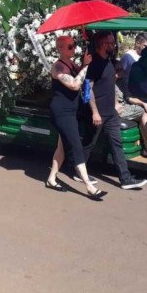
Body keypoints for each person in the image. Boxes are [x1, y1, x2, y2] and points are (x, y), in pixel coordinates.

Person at [82, 32, 147, 190]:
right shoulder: (94, 64)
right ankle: (79, 170)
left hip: (111, 113)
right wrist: (95, 112)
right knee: (89, 144)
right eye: (111, 43)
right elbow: (87, 89)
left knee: (116, 144)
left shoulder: (109, 63)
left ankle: (125, 179)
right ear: (103, 45)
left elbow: (110, 86)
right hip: (98, 113)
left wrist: (115, 103)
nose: (114, 45)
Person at [43, 36, 106, 199]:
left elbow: (83, 75)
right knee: (76, 146)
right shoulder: (57, 67)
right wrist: (85, 65)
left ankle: (51, 179)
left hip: (70, 111)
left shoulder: (70, 64)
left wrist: (87, 58)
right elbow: (75, 84)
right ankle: (89, 186)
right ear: (60, 48)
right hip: (61, 112)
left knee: (62, 147)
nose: (74, 48)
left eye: (74, 45)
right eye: (70, 46)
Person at [113, 63, 147, 159]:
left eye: (121, 69)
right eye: (119, 70)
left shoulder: (122, 82)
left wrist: (143, 104)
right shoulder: (107, 83)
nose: (122, 71)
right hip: (117, 109)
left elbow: (129, 98)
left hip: (125, 106)